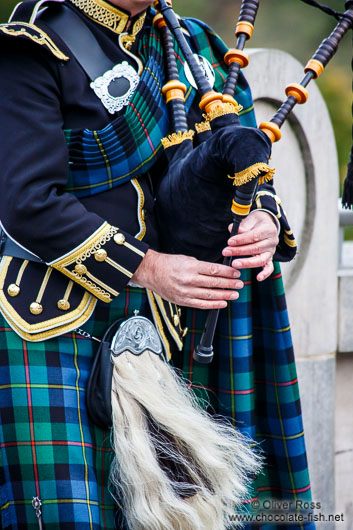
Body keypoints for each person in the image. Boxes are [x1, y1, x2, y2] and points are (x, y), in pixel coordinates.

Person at [0, 0, 314, 528]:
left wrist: (262, 216)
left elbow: (244, 166)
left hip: (176, 327)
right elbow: (28, 202)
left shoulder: (196, 50)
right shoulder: (31, 49)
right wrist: (146, 267)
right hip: (54, 323)